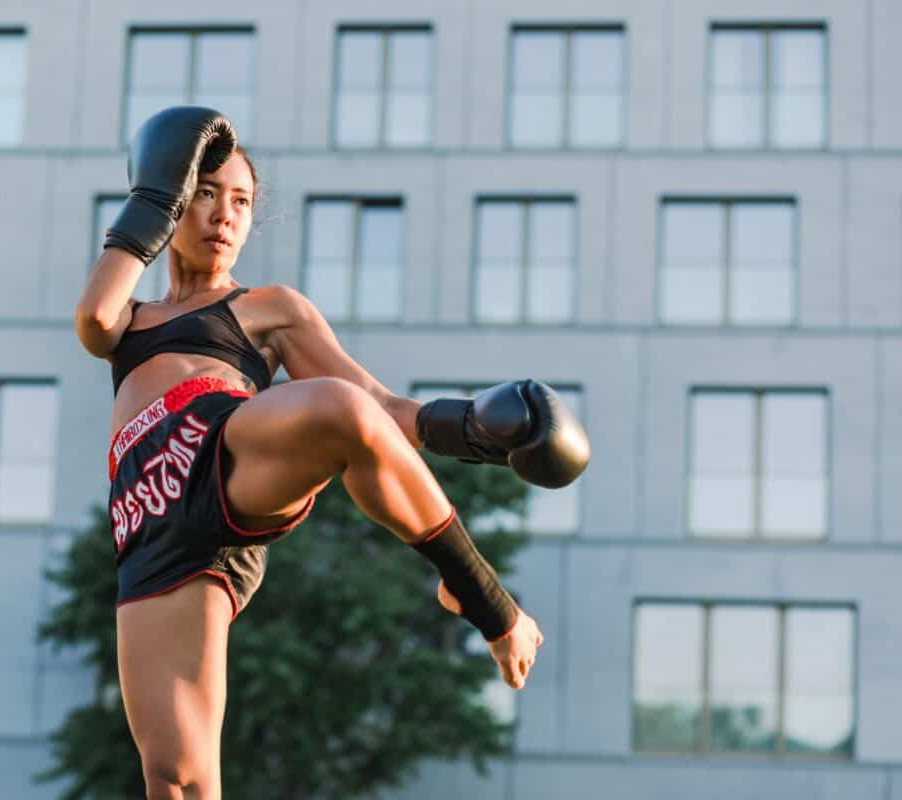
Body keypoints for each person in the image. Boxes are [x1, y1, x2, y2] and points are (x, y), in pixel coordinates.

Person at [75, 106, 590, 800]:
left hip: (231, 453)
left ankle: (481, 596)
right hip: (151, 520)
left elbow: (379, 407)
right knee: (176, 779)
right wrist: (152, 198)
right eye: (205, 194)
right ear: (171, 196)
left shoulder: (268, 308)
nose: (225, 216)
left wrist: (472, 428)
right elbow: (94, 320)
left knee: (340, 409)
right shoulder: (132, 317)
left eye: (242, 202)